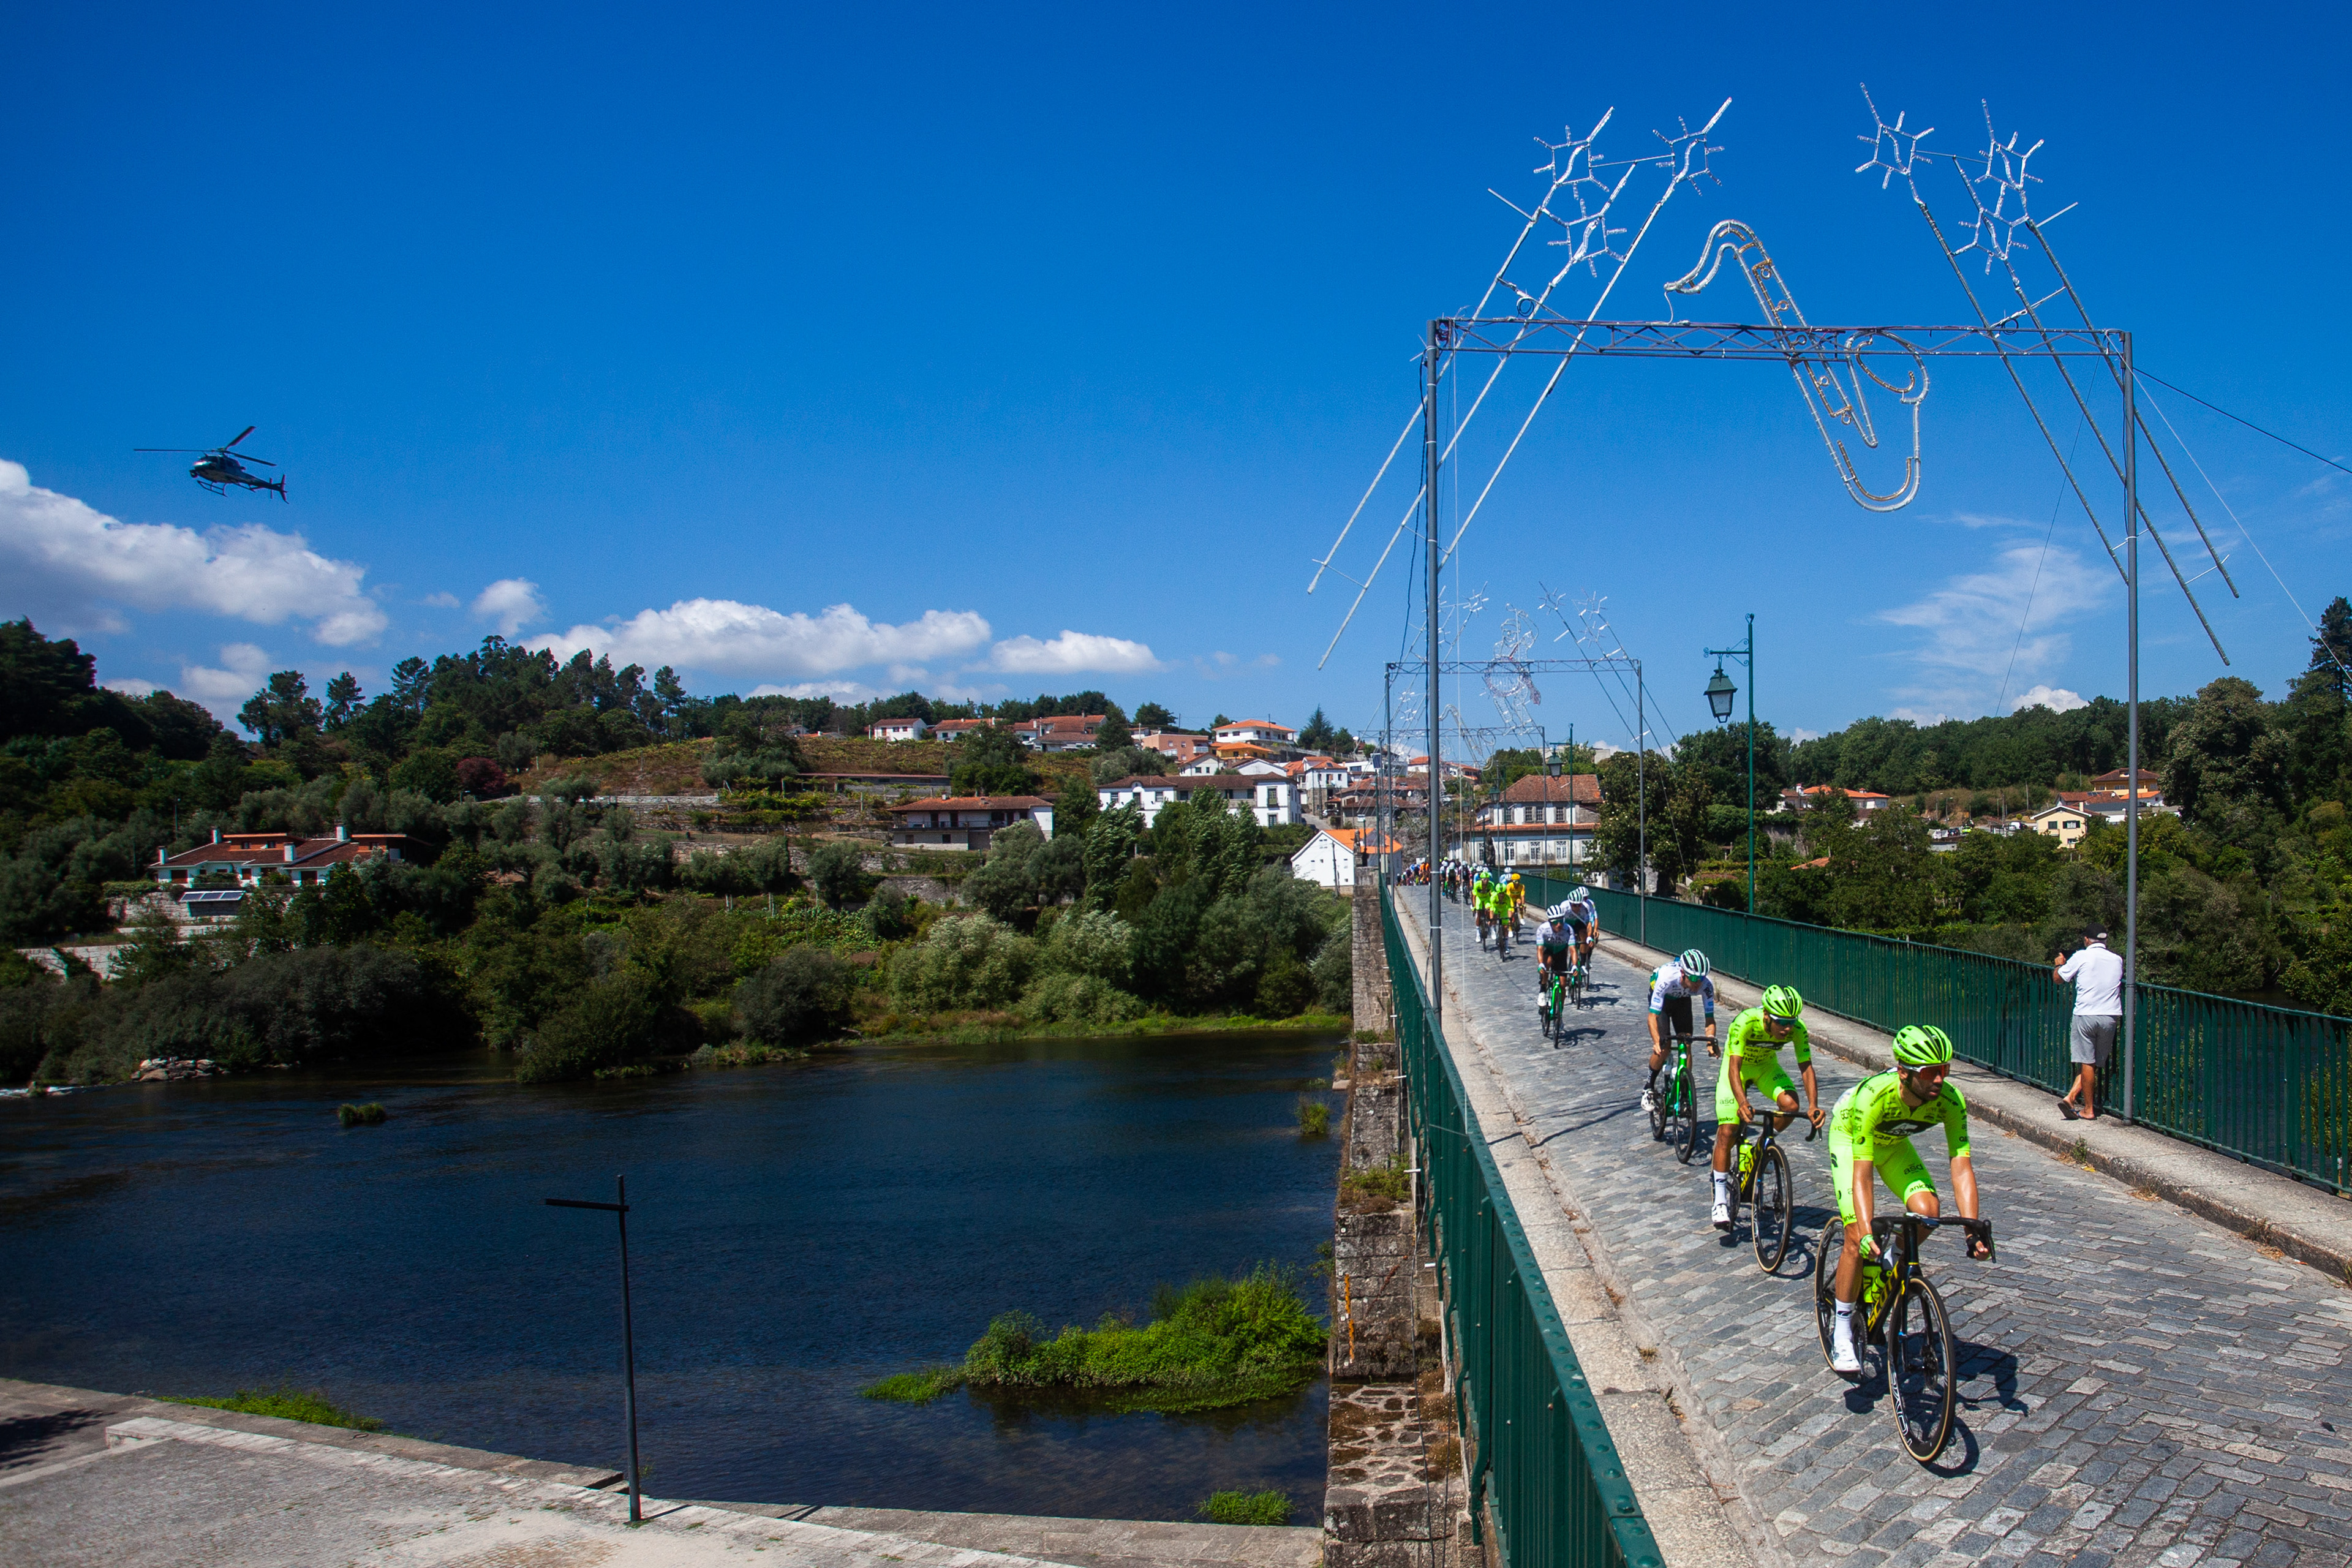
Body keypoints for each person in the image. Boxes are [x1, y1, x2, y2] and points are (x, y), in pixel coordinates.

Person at [1825, 1025, 1992, 1375]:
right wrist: (1866, 1229)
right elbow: (1862, 1174)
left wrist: (1972, 1229)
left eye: (1945, 1070)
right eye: (1930, 1072)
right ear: (1904, 1072)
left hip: (1895, 1145)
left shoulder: (1950, 1101)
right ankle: (1842, 1332)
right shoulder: (1875, 1096)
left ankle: (1892, 1257)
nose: (1940, 1080)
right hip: (1851, 1141)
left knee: (1928, 1212)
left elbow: (1961, 1168)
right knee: (1857, 1235)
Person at [1709, 984, 1823, 1229]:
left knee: (1791, 1105)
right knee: (1728, 1130)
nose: (1788, 1028)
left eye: (1792, 1021)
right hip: (1737, 1070)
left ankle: (1759, 1149)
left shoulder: (1797, 1030)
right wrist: (1742, 1103)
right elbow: (1734, 1068)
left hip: (1765, 1069)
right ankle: (1719, 1200)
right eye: (1782, 1022)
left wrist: (1813, 1105)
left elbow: (1806, 1067)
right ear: (1767, 1016)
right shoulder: (1745, 1022)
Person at [2052, 930, 2123, 1121]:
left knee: (2087, 1062)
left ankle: (2088, 1110)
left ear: (2086, 939)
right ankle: (2071, 1097)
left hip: (2086, 1014)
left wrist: (2059, 966)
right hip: (2110, 1015)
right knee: (2094, 1063)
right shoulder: (2117, 959)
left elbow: (2059, 979)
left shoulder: (2082, 956)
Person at [1639, 949, 1716, 1112]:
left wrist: (1711, 1040)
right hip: (1663, 1002)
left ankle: (1683, 1094)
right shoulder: (1666, 978)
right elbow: (1653, 1016)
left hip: (1682, 1001)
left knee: (1686, 1043)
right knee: (1664, 1046)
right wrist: (1656, 1042)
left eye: (1702, 979)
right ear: (1683, 973)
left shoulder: (1706, 986)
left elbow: (1710, 1019)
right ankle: (1649, 1087)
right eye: (1695, 979)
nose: (1698, 983)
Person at [1534, 904, 1575, 1013]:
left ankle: (1560, 1013)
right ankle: (1542, 990)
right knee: (1547, 962)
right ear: (1550, 922)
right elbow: (1540, 949)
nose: (1559, 925)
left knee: (1563, 985)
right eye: (1555, 922)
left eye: (1561, 921)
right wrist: (1541, 964)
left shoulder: (1568, 929)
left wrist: (1575, 966)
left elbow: (1573, 950)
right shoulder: (1543, 929)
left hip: (1561, 954)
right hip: (1549, 951)